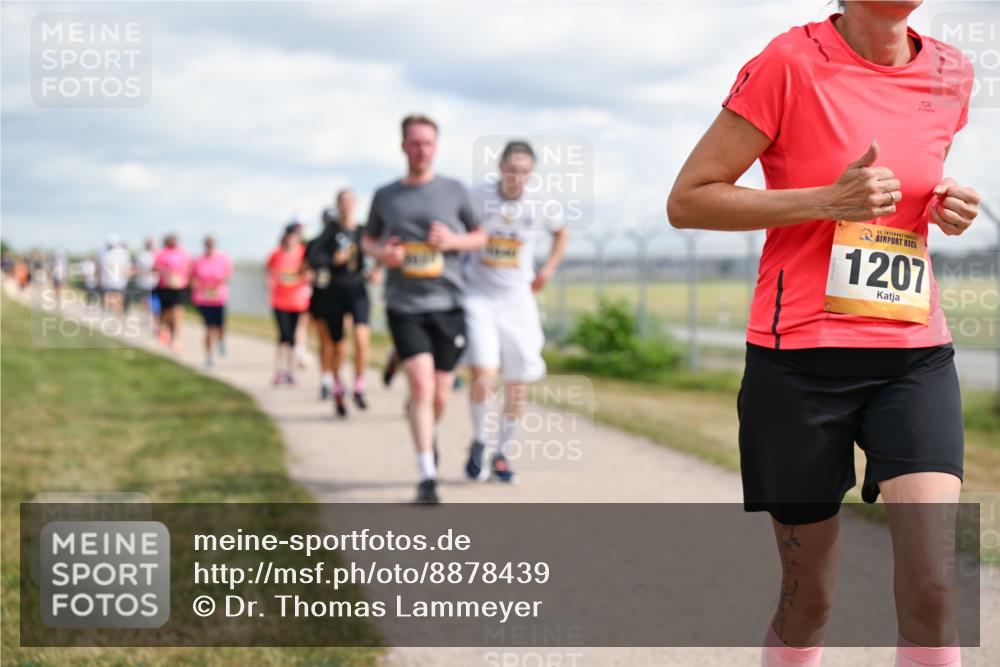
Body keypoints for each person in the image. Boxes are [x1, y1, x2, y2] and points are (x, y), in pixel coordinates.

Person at [667, 3, 978, 666]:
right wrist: (822, 201)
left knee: (933, 585)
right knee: (810, 600)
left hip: (912, 358)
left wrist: (948, 206)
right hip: (799, 364)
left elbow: (902, 202)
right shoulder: (789, 62)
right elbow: (689, 198)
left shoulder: (953, 73)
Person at [363, 114, 487, 503]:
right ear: (403, 146)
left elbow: (481, 236)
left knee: (439, 394)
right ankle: (426, 474)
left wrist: (451, 241)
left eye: (428, 143)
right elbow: (367, 239)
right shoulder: (386, 195)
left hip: (448, 304)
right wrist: (383, 253)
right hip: (404, 304)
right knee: (420, 382)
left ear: (437, 146)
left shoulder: (454, 190)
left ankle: (426, 433)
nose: (422, 149)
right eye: (415, 143)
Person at [463, 140, 569, 483]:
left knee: (517, 380)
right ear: (500, 168)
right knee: (484, 373)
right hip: (479, 294)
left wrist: (549, 268)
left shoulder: (540, 203)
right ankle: (479, 440)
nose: (516, 177)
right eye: (511, 169)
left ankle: (503, 454)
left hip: (518, 299)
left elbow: (561, 232)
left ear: (531, 173)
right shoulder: (476, 197)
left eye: (523, 171)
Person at [307, 189, 378, 417]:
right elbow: (312, 258)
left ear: (356, 204)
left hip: (358, 290)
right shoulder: (330, 232)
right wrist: (332, 260)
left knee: (361, 338)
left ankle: (359, 385)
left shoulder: (363, 231)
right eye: (342, 202)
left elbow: (378, 254)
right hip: (334, 292)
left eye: (350, 201)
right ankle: (337, 386)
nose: (346, 205)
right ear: (338, 205)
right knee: (338, 347)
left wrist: (376, 271)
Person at [267, 222, 311, 386]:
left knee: (292, 338)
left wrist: (305, 276)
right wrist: (270, 281)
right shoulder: (276, 254)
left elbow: (308, 271)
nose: (292, 239)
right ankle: (279, 371)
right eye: (290, 236)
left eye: (295, 236)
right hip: (280, 301)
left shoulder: (303, 253)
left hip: (297, 301)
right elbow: (269, 270)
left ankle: (290, 372)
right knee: (283, 336)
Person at [190, 235, 232, 368]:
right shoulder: (198, 260)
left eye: (212, 244)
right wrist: (198, 287)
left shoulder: (223, 258)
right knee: (208, 328)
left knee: (220, 326)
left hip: (219, 297)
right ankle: (208, 357)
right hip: (203, 298)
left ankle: (221, 340)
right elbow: (192, 278)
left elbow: (229, 275)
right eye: (207, 244)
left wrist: (217, 284)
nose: (209, 246)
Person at [152, 233, 191, 353]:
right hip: (164, 286)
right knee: (166, 312)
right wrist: (166, 272)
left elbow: (189, 266)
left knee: (177, 310)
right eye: (172, 240)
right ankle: (165, 330)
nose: (174, 242)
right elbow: (155, 267)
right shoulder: (162, 253)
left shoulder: (183, 252)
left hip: (179, 286)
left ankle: (177, 339)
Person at [99, 234, 132, 317]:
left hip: (119, 280)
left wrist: (126, 276)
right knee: (111, 296)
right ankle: (111, 313)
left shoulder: (122, 253)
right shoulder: (104, 253)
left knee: (117, 297)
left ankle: (116, 314)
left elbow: (127, 267)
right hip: (109, 280)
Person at [135, 238, 159, 332]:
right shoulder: (143, 255)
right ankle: (147, 319)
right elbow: (140, 268)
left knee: (155, 303)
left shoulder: (157, 254)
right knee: (146, 302)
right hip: (145, 282)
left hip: (155, 282)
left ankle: (153, 321)